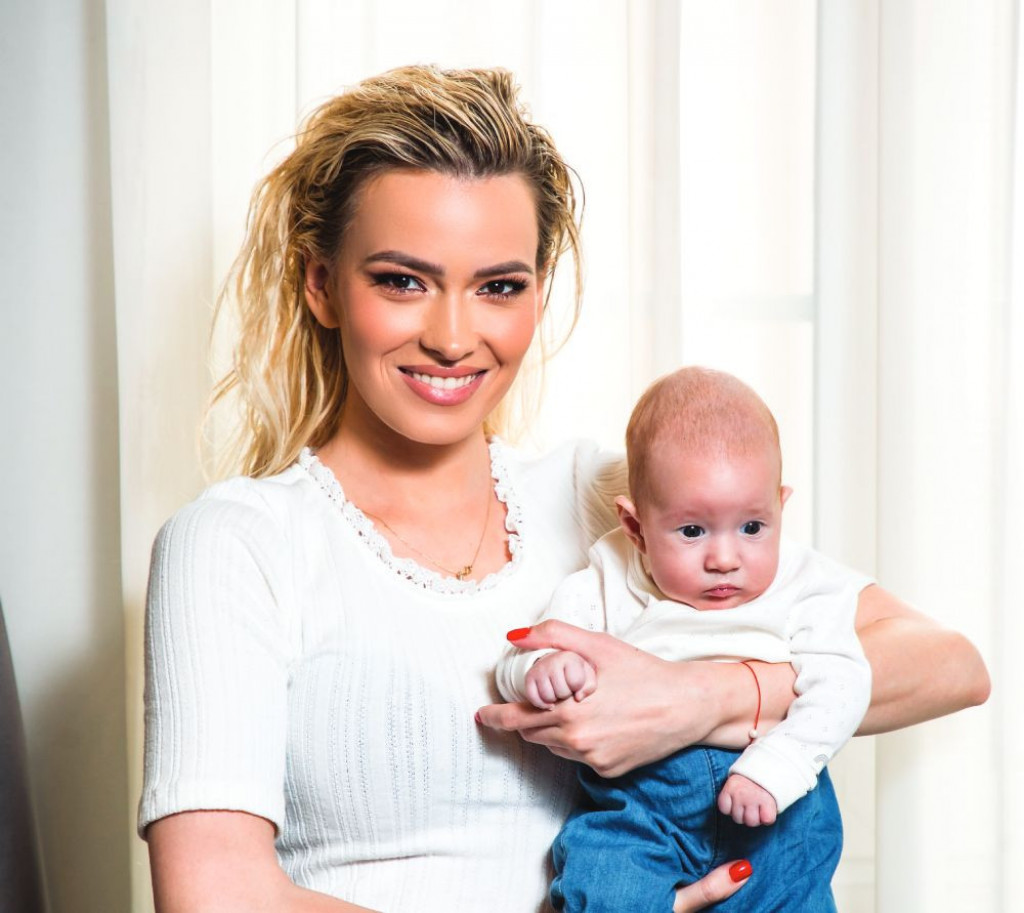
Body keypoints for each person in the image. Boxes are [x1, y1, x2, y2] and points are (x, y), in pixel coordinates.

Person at [139, 65, 990, 913]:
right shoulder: (238, 544)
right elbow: (216, 897)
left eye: (498, 286)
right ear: (321, 284)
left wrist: (699, 698)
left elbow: (949, 662)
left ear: (537, 296)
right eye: (402, 280)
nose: (451, 336)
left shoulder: (607, 502)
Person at [498, 366, 873, 912]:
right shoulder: (606, 578)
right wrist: (545, 670)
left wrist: (780, 766)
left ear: (780, 505)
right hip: (641, 810)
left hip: (775, 812)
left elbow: (843, 682)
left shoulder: (806, 584)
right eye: (692, 531)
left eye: (752, 527)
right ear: (635, 527)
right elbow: (523, 655)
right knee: (602, 887)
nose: (725, 558)